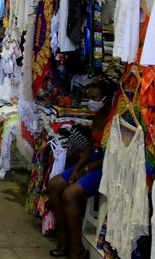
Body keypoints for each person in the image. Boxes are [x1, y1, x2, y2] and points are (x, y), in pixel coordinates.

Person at [47, 82, 116, 259]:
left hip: (104, 166)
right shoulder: (98, 116)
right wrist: (77, 168)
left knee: (69, 195)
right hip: (91, 161)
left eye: (95, 98)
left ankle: (76, 249)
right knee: (54, 185)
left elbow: (112, 155)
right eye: (89, 98)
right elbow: (90, 147)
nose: (91, 102)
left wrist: (85, 169)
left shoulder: (114, 119)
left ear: (106, 98)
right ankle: (63, 237)